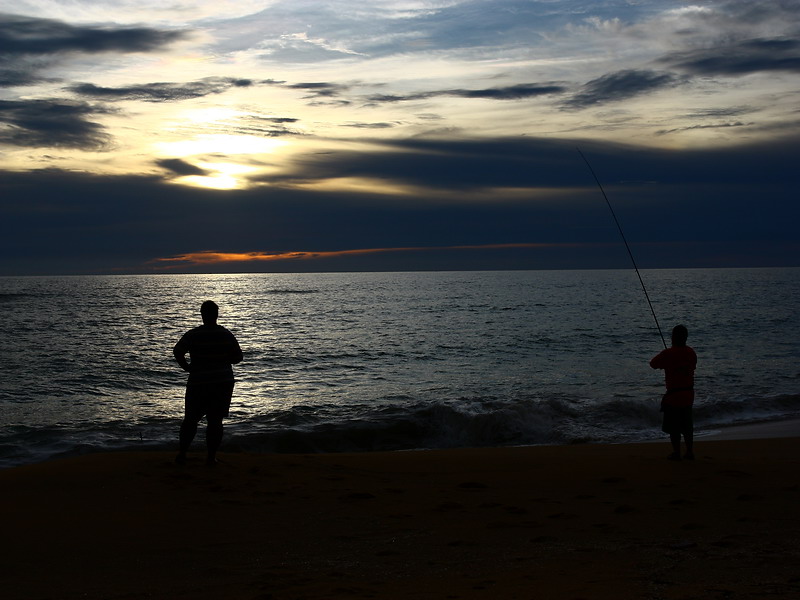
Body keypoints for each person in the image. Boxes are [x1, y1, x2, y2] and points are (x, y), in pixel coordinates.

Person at [173, 300, 243, 465]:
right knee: (215, 421)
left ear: (202, 315)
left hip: (198, 383)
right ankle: (211, 458)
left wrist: (188, 368)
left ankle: (182, 455)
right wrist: (224, 358)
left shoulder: (193, 334)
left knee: (190, 419)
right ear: (216, 315)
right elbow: (238, 357)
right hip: (222, 383)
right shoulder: (226, 334)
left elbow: (178, 351)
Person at [650, 324, 697, 461]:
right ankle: (689, 452)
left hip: (674, 396)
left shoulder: (668, 354)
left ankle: (676, 453)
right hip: (688, 395)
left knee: (674, 427)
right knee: (687, 426)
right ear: (686, 338)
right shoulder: (691, 353)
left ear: (673, 338)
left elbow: (653, 364)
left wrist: (666, 361)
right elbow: (692, 366)